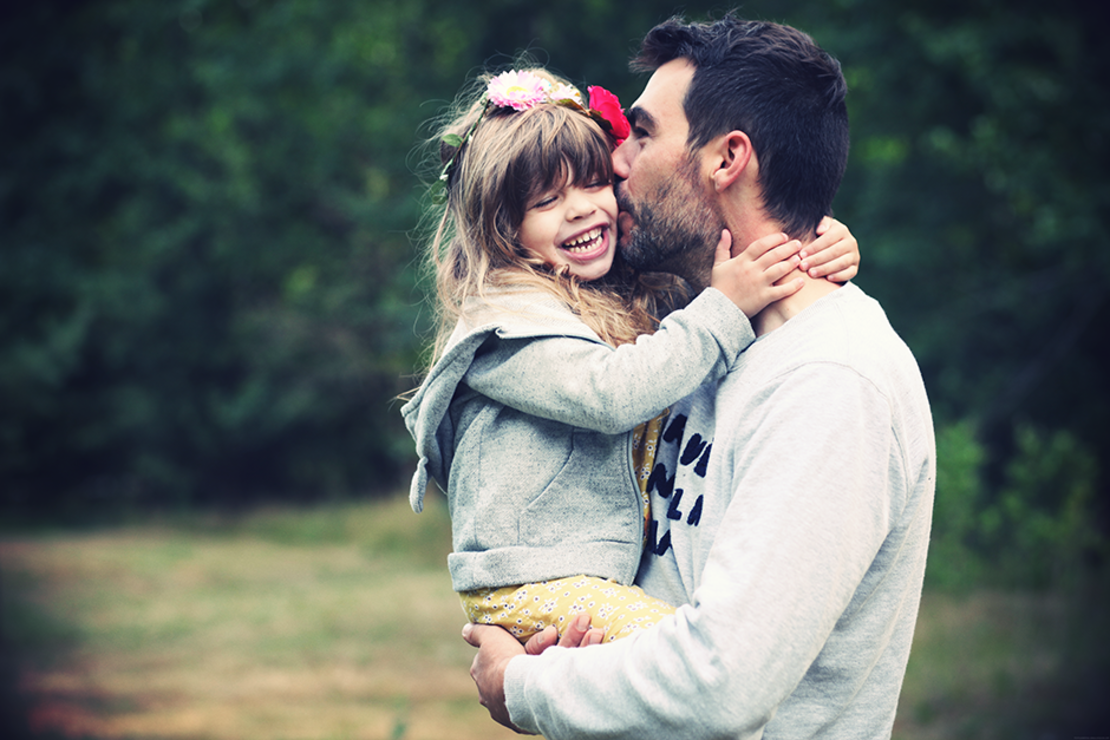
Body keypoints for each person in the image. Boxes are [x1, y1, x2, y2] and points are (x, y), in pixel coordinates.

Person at [463, 14, 936, 740]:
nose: (616, 160)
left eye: (643, 133)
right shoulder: (692, 327)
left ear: (727, 160)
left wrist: (521, 685)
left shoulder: (833, 384)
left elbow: (721, 680)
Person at [402, 68, 860, 645]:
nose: (579, 209)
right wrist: (724, 305)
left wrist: (815, 239)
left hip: (583, 573)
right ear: (505, 229)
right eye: (546, 200)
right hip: (526, 579)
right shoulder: (505, 328)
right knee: (689, 652)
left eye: (593, 184)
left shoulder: (605, 290)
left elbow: (690, 308)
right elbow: (612, 394)